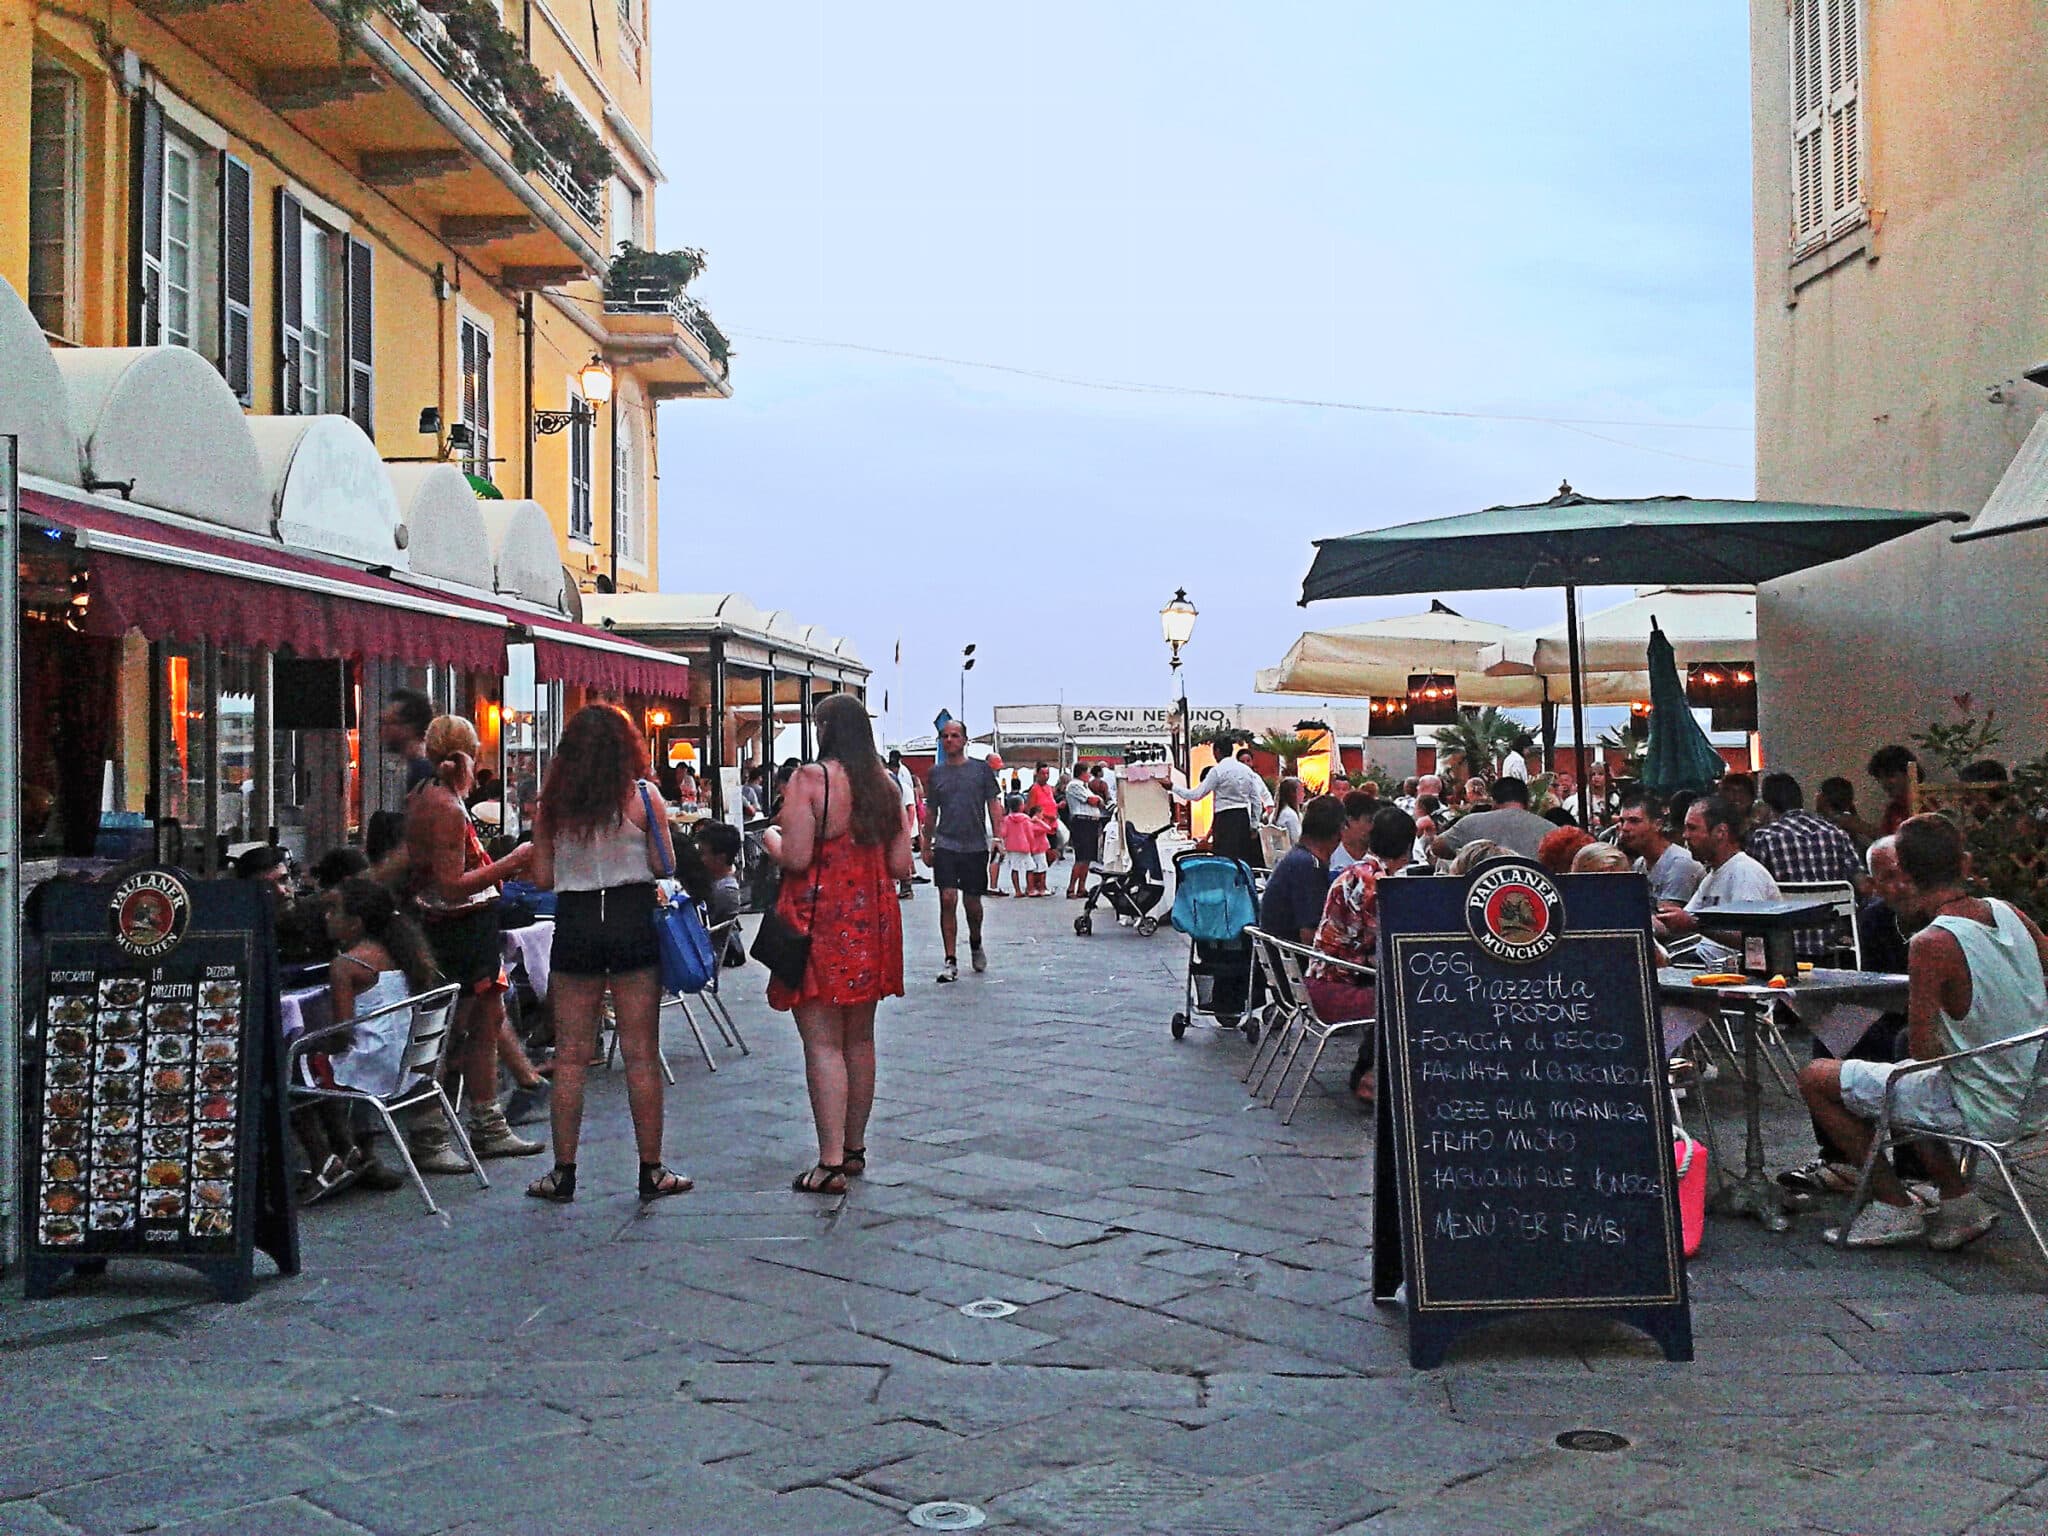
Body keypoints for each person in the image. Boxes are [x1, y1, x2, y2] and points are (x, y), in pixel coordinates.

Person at [1799, 814, 2048, 1249]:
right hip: (2035, 1093)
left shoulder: (1932, 942)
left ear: (1909, 876)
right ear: (1964, 863)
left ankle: (1894, 1204)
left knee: (1818, 1076)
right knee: (1913, 1080)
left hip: (1987, 1106)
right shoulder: (2012, 913)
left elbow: (1923, 1049)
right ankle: (1956, 1200)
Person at [521, 705, 690, 1204]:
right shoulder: (644, 796)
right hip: (630, 917)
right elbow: (665, 863)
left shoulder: (552, 806)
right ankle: (651, 1170)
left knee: (570, 1056)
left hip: (575, 922)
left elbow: (543, 878)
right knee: (641, 1054)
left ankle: (564, 1171)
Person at [762, 694, 913, 1194]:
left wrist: (771, 842)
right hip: (871, 919)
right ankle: (853, 1148)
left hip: (819, 920)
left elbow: (799, 856)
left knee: (823, 1042)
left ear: (823, 727)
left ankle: (827, 1162)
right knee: (860, 1040)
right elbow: (900, 867)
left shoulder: (809, 780)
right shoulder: (886, 786)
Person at [405, 715, 541, 1164]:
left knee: (484, 1024)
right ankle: (430, 1134)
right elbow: (450, 885)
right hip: (458, 931)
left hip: (466, 928)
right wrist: (512, 861)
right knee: (448, 1033)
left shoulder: (430, 797)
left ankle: (485, 1124)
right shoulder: (443, 806)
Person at [293, 878, 433, 1201]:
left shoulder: (346, 965)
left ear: (355, 924)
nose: (326, 917)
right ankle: (352, 1151)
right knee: (313, 1064)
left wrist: (314, 1044)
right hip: (406, 1063)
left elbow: (342, 1034)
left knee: (291, 1067)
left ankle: (322, 1158)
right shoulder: (403, 953)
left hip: (372, 1066)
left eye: (333, 910)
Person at [1310, 805, 1417, 1105]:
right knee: (1408, 997)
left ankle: (1372, 1071)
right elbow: (1386, 947)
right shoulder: (1378, 885)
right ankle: (1370, 1075)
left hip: (1323, 977)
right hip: (1337, 986)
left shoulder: (1355, 873)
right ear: (1407, 849)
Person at [1747, 771, 1865, 959]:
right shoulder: (1836, 833)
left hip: (1783, 946)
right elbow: (1863, 885)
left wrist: (1753, 824)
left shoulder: (1764, 838)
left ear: (1767, 806)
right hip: (1833, 945)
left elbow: (1751, 891)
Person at [923, 720, 1003, 983]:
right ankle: (950, 960)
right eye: (944, 736)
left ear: (965, 740)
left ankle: (976, 941)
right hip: (946, 844)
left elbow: (994, 804)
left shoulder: (981, 771)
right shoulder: (935, 773)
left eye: (954, 736)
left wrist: (999, 837)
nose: (949, 740)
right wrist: (926, 843)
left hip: (975, 845)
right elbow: (931, 811)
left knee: (972, 902)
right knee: (947, 899)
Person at [1656, 794, 1781, 941]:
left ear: (1721, 832)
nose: (1685, 835)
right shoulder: (1712, 876)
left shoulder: (1745, 872)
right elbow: (1682, 921)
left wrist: (1696, 925)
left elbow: (1750, 938)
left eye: (1692, 828)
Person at [1258, 795, 1345, 945]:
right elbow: (1310, 935)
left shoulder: (1297, 858)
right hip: (1293, 960)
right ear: (1338, 834)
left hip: (1277, 953)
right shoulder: (1309, 866)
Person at [1170, 749, 1272, 868]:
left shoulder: (1217, 771)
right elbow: (1256, 800)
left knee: (1224, 859)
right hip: (1243, 818)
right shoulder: (1247, 771)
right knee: (1242, 859)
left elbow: (1196, 795)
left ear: (1216, 752)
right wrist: (1254, 825)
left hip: (1225, 819)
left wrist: (1173, 787)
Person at [1432, 777, 1552, 861]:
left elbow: (1437, 847)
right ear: (1528, 803)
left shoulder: (1471, 823)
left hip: (1478, 891)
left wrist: (1466, 857)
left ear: (1493, 802)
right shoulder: (1551, 830)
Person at [1616, 789, 1705, 903]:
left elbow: (1667, 916)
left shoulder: (1680, 863)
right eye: (1623, 821)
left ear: (1657, 824)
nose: (1625, 828)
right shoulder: (1639, 864)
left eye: (1634, 821)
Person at [694, 820, 749, 964]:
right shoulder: (714, 880)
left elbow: (699, 928)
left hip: (701, 957)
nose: (699, 858)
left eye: (703, 853)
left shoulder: (725, 891)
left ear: (720, 858)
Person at [380, 687, 436, 796]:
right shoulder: (406, 766)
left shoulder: (423, 772)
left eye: (391, 723)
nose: (383, 730)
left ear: (411, 727)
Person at [1064, 761, 1106, 899]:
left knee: (1087, 858)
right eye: (1087, 772)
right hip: (1082, 822)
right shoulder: (1075, 785)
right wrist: (1099, 800)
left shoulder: (1085, 786)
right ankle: (1071, 888)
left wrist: (1099, 800)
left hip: (1091, 822)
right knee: (1081, 857)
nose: (1089, 775)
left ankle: (1082, 887)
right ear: (1082, 773)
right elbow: (1093, 800)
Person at [887, 749, 920, 898]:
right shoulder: (896, 776)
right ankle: (908, 879)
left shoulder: (900, 780)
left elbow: (910, 808)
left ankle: (907, 886)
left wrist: (908, 828)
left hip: (903, 822)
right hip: (898, 822)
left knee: (901, 853)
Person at [1869, 744, 1919, 838]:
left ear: (1908, 773)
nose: (1885, 783)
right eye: (1880, 778)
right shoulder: (1893, 809)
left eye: (1890, 775)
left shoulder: (1927, 805)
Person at [1328, 791, 1377, 875]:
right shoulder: (1330, 855)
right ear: (1350, 820)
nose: (1372, 827)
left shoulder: (1377, 859)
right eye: (1368, 821)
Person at [1000, 797, 1039, 898]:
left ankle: (1017, 890)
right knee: (1030, 867)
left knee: (1015, 868)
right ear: (1021, 806)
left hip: (1011, 847)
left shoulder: (1007, 819)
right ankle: (1030, 889)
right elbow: (1030, 834)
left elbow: (1003, 833)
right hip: (1024, 846)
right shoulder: (1026, 819)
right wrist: (1032, 844)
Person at [1270, 778, 1305, 846]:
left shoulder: (1274, 814)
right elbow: (1296, 839)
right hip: (1291, 854)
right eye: (1301, 791)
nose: (1304, 794)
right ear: (1292, 794)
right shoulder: (1290, 815)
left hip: (1278, 852)